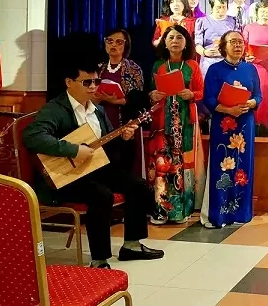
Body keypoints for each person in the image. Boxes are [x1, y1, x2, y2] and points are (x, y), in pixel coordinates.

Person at [24, 57, 164, 268]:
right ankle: (99, 259)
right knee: (101, 195)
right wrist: (73, 149)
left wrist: (124, 138)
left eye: (96, 82)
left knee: (140, 186)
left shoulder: (97, 111)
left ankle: (132, 246)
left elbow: (109, 152)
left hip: (95, 169)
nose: (93, 88)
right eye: (86, 83)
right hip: (67, 177)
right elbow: (33, 137)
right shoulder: (55, 108)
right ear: (69, 82)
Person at [201, 30, 261, 228]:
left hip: (245, 124)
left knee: (244, 166)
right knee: (223, 166)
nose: (238, 45)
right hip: (223, 124)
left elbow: (258, 95)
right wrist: (228, 109)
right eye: (233, 42)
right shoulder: (215, 69)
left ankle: (240, 212)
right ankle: (220, 214)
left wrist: (251, 103)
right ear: (223, 46)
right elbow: (208, 99)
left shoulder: (250, 69)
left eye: (241, 42)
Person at [147, 25, 205, 224]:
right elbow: (151, 92)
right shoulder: (158, 65)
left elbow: (200, 92)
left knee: (181, 164)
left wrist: (191, 95)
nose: (175, 41)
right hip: (163, 121)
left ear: (186, 42)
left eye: (179, 37)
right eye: (170, 37)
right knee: (162, 164)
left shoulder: (192, 65)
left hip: (184, 122)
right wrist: (153, 95)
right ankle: (161, 211)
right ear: (164, 41)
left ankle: (180, 211)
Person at [97, 29, 145, 174]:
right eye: (109, 41)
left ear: (126, 45)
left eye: (119, 42)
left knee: (124, 166)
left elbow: (139, 98)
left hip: (125, 121)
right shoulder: (99, 68)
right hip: (101, 120)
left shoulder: (133, 68)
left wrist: (118, 101)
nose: (114, 45)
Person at [242, 0, 268, 128]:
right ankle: (252, 123)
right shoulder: (248, 28)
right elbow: (244, 47)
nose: (266, 15)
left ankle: (266, 125)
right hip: (253, 67)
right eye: (263, 11)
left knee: (267, 95)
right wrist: (246, 56)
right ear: (257, 12)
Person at [195, 0, 237, 79]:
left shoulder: (233, 21)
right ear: (212, 6)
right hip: (208, 62)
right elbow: (197, 44)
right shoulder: (202, 21)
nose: (221, 10)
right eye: (218, 7)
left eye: (224, 7)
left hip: (227, 61)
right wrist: (204, 52)